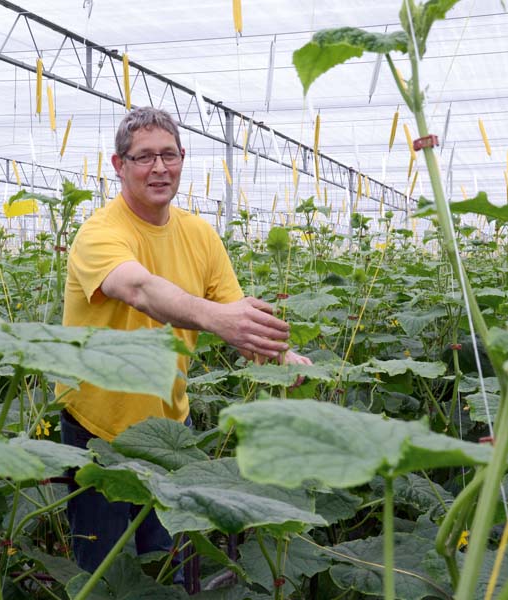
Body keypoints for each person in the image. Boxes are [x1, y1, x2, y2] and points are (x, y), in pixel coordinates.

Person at [57, 106, 311, 574]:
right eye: (144, 157)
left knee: (169, 566)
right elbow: (139, 289)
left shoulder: (200, 234)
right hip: (98, 432)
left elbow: (238, 318)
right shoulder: (100, 233)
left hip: (172, 430)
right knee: (106, 576)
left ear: (183, 158)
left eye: (169, 155)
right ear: (119, 165)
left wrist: (281, 356)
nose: (159, 168)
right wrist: (218, 318)